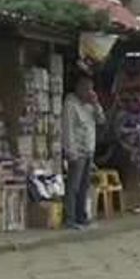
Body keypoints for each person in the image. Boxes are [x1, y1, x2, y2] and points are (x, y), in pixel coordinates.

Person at [62, 73, 105, 230]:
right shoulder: (70, 103)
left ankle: (82, 216)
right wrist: (70, 150)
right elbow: (68, 129)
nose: (89, 92)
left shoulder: (90, 105)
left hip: (89, 150)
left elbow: (101, 120)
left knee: (84, 186)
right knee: (73, 186)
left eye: (91, 89)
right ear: (79, 88)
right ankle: (70, 218)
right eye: (86, 88)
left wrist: (96, 104)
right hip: (77, 151)